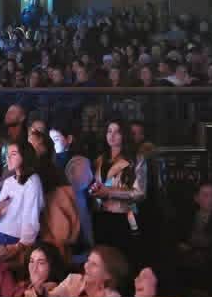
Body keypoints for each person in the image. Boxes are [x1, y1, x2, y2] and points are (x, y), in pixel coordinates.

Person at [90, 121, 147, 260]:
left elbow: (140, 193)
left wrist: (109, 192)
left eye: (117, 132)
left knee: (123, 259)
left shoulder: (136, 159)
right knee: (103, 259)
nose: (112, 135)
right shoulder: (99, 160)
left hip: (124, 218)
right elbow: (95, 185)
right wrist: (94, 191)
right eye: (109, 131)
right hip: (100, 217)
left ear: (124, 135)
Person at [0, 143, 44, 256]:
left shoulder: (32, 181)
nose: (8, 158)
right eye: (7, 154)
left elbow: (31, 217)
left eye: (13, 154)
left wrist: (21, 245)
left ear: (25, 156)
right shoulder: (8, 181)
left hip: (12, 240)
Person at [50, 245, 133, 297]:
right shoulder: (73, 279)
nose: (86, 266)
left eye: (94, 264)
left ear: (108, 275)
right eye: (88, 261)